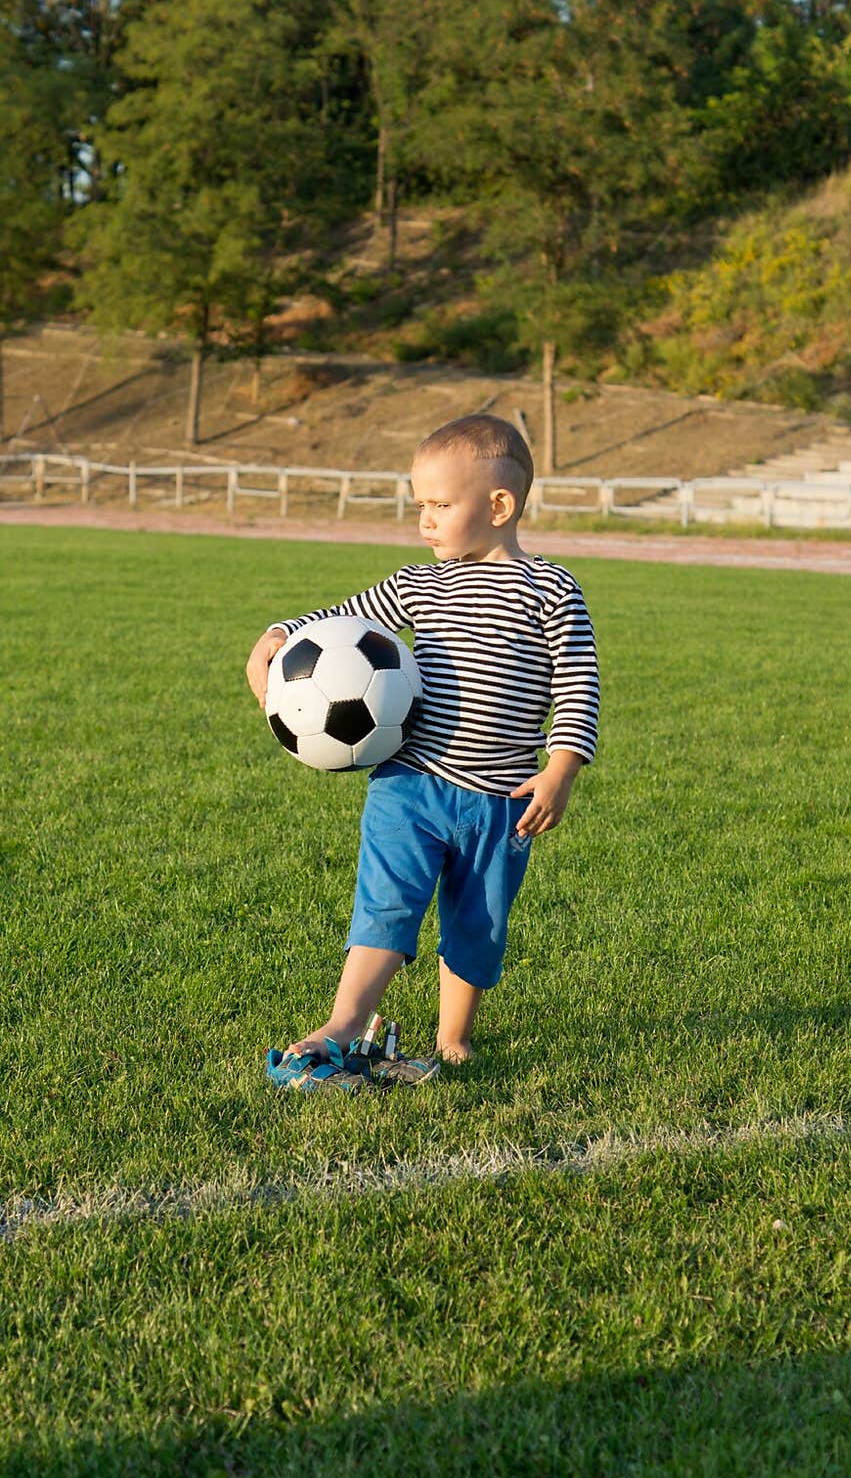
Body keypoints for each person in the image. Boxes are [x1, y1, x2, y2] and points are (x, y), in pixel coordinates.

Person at [246, 413, 599, 1074]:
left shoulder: (551, 590)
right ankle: (345, 1022)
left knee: (479, 925)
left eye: (440, 505)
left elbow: (579, 682)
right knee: (388, 903)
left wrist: (561, 769)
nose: (424, 521)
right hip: (410, 784)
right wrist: (277, 634)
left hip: (504, 800)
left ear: (499, 505)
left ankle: (453, 1036)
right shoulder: (418, 583)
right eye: (420, 506)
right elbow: (337, 620)